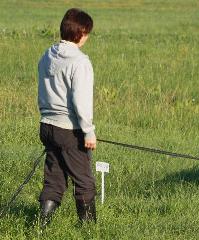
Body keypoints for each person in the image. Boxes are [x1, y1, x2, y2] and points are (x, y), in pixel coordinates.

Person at [37, 8, 96, 228]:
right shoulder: (80, 62)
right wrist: (88, 131)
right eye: (87, 32)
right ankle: (89, 230)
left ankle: (41, 226)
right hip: (69, 129)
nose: (87, 38)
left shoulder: (47, 54)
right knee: (84, 181)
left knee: (54, 178)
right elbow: (81, 101)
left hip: (47, 125)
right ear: (80, 33)